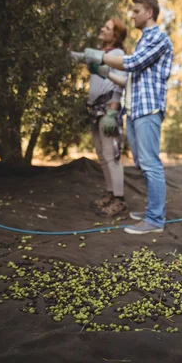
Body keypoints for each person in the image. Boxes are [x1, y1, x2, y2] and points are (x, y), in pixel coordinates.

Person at [70, 0, 173, 235]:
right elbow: (130, 76)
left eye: (136, 11)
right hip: (136, 110)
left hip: (149, 109)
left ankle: (155, 220)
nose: (132, 15)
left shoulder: (159, 37)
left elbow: (134, 63)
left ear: (149, 13)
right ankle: (153, 211)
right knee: (141, 163)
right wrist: (104, 69)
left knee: (150, 164)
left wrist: (98, 56)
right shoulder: (144, 40)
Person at [70, 18, 129, 218]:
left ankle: (119, 200)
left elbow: (121, 84)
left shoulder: (118, 55)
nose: (102, 28)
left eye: (108, 28)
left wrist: (113, 110)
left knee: (111, 155)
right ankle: (111, 194)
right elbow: (78, 57)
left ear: (116, 35)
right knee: (102, 156)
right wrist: (63, 46)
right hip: (95, 108)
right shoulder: (100, 54)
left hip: (107, 108)